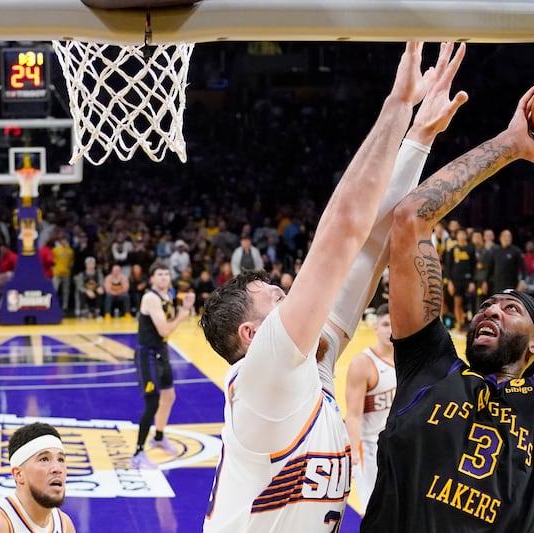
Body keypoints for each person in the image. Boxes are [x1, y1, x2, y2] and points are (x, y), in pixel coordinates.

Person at [197, 41, 468, 532]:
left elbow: (369, 248)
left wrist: (420, 137)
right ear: (252, 336)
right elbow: (345, 228)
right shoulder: (265, 373)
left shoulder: (306, 370)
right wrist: (397, 105)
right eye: (279, 301)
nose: (295, 300)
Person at [360, 84, 534, 532]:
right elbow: (411, 218)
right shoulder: (429, 367)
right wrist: (509, 145)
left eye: (510, 308)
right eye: (488, 304)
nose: (490, 310)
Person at [130, 260, 195, 469]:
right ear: (151, 279)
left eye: (166, 274)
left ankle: (158, 437)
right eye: (159, 274)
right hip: (147, 355)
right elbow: (165, 330)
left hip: (161, 352)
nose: (164, 277)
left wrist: (183, 308)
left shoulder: (169, 295)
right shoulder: (151, 298)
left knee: (169, 396)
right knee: (152, 402)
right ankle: (138, 452)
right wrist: (183, 315)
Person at [0, 422, 76, 532]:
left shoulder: (65, 525)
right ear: (19, 474)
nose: (57, 469)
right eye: (44, 459)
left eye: (61, 460)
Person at [344, 303, 395, 511]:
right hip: (371, 450)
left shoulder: (408, 359)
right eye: (385, 324)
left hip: (399, 448)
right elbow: (353, 415)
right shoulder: (363, 363)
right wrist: (352, 454)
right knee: (375, 511)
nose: (391, 330)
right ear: (375, 328)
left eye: (395, 324)